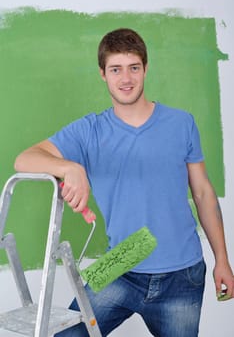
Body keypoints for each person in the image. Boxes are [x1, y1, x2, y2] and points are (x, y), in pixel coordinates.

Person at [14, 28, 234, 337]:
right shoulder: (90, 130)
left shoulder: (182, 123)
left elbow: (203, 193)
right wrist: (69, 167)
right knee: (68, 334)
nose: (126, 78)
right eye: (116, 69)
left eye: (133, 68)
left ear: (145, 68)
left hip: (182, 272)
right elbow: (25, 159)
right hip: (121, 261)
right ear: (103, 74)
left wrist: (222, 260)